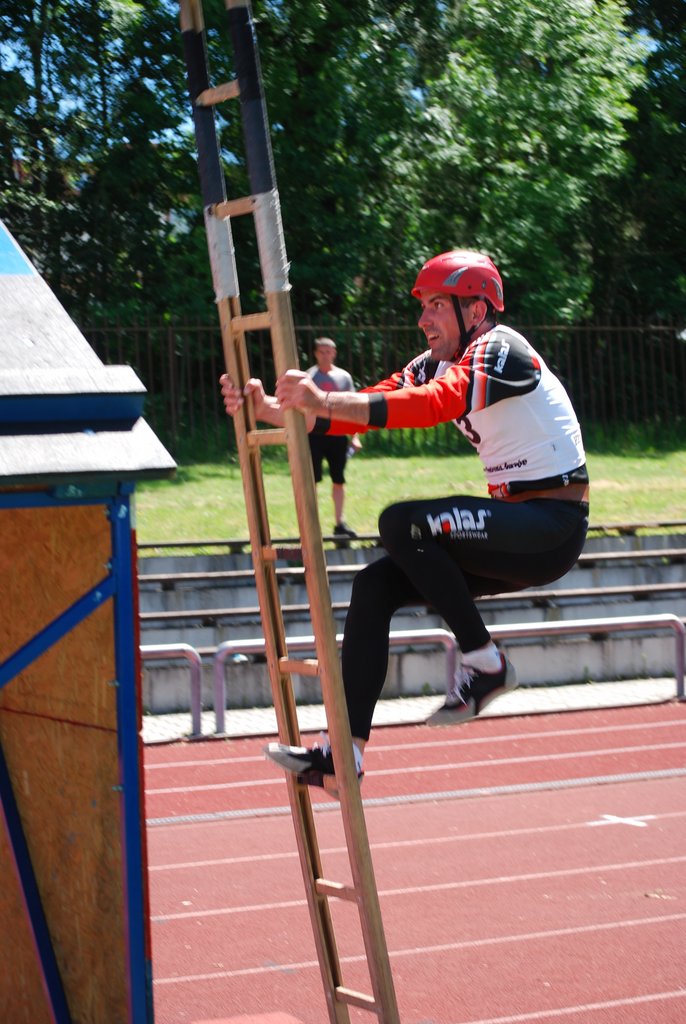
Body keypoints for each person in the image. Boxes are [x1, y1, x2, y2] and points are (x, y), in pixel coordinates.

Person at [220, 249, 590, 796]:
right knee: (373, 584)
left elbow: (436, 403)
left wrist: (320, 397)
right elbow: (375, 400)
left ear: (476, 310)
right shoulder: (435, 361)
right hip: (510, 525)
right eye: (423, 307)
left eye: (438, 305)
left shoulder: (501, 349)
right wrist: (276, 409)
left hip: (549, 526)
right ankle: (342, 756)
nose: (424, 319)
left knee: (403, 523)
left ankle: (485, 661)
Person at [306, 336, 361, 538]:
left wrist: (355, 437)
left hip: (338, 435)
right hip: (314, 435)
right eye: (322, 351)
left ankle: (339, 524)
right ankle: (311, 524)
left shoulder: (343, 378)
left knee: (338, 479)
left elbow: (353, 406)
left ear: (334, 353)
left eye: (329, 351)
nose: (325, 355)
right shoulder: (309, 377)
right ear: (315, 353)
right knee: (311, 480)